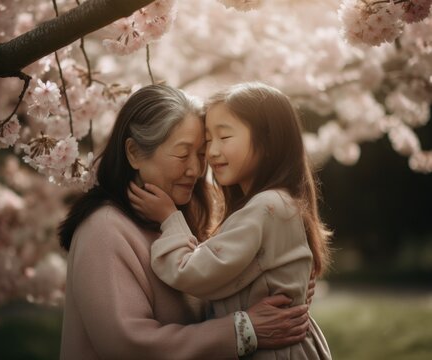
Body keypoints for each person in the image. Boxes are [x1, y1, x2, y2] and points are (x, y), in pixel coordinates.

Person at [58, 84, 313, 360]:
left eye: (200, 154)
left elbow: (209, 286)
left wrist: (275, 287)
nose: (196, 169)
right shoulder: (104, 229)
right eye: (182, 154)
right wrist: (242, 330)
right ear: (133, 153)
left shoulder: (176, 220)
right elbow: (127, 345)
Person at [128, 82, 332, 359]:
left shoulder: (266, 207)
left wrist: (169, 219)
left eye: (224, 138)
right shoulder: (276, 204)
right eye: (208, 140)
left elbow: (191, 272)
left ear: (268, 142)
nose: (211, 153)